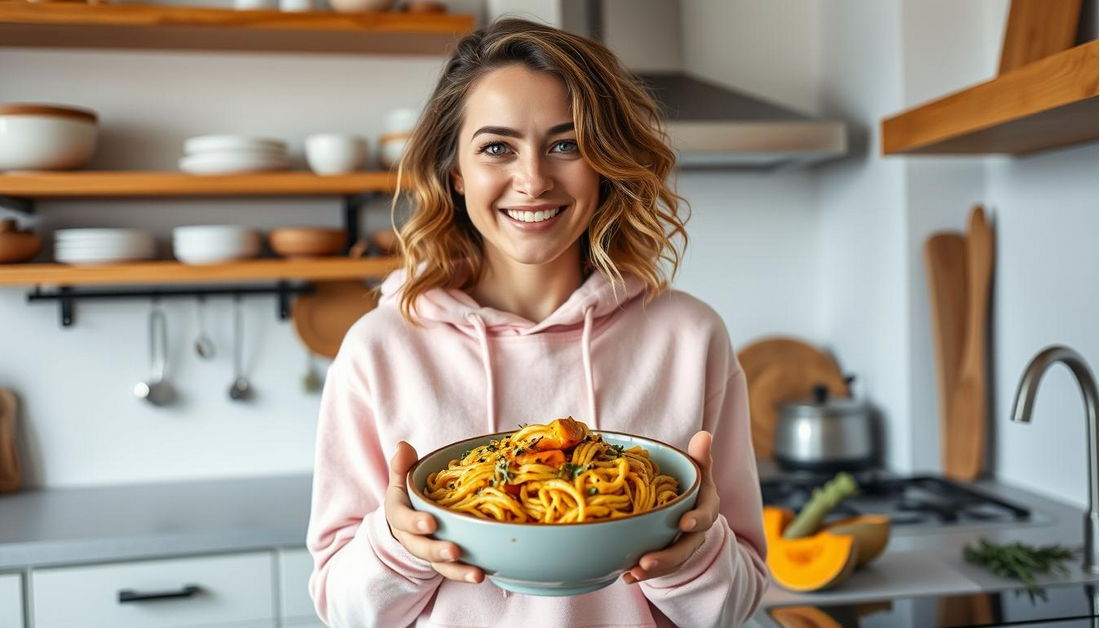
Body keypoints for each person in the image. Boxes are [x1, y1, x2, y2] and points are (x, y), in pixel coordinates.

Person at [306, 16, 768, 628]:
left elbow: (737, 605)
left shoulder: (690, 338)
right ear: (456, 174)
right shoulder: (380, 349)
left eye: (566, 143)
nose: (533, 180)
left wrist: (694, 553)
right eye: (497, 147)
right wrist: (396, 544)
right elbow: (341, 609)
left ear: (605, 164)